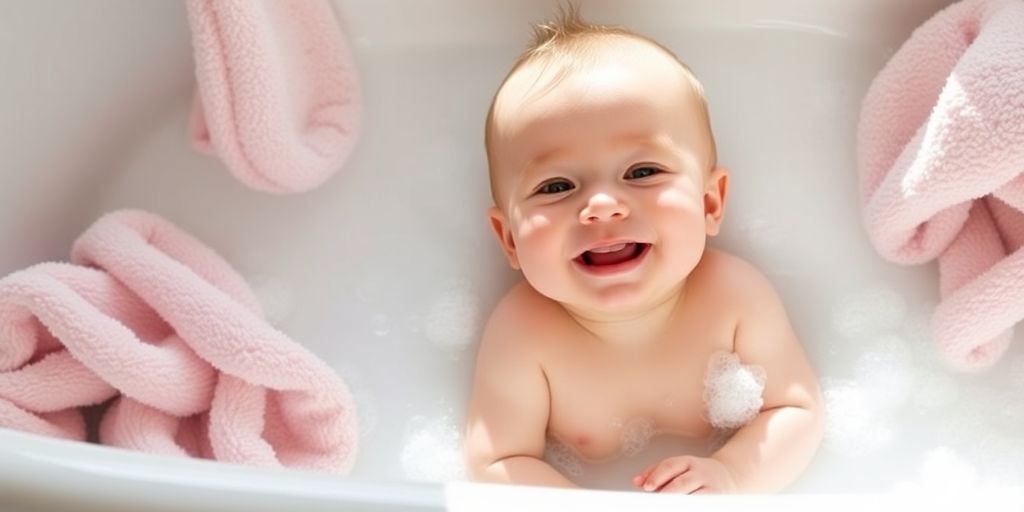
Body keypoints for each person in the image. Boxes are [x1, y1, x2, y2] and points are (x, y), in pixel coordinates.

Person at [464, 5, 823, 494]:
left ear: (709, 202)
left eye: (642, 172)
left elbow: (797, 410)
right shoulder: (523, 335)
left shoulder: (735, 298)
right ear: (509, 238)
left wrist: (734, 475)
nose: (603, 206)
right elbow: (497, 461)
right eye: (556, 186)